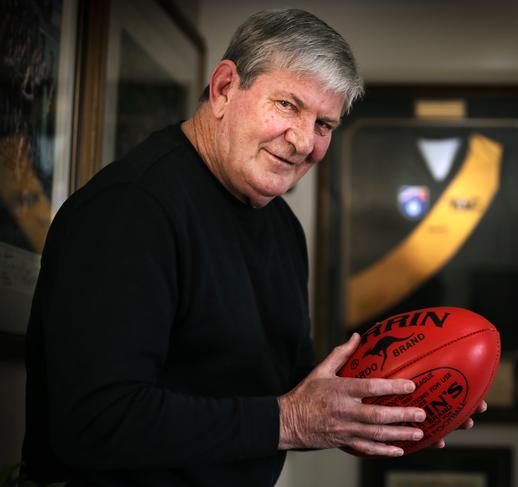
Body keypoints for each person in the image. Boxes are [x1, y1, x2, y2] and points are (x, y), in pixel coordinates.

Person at [22, 8, 486, 487]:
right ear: (224, 88)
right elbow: (93, 422)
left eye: (324, 125)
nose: (304, 141)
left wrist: (387, 401)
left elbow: (279, 388)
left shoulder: (282, 227)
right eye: (287, 105)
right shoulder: (131, 209)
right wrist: (290, 421)